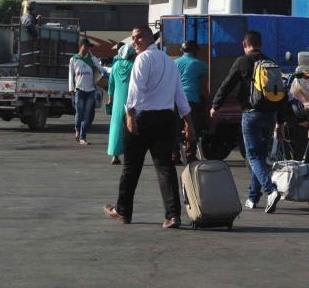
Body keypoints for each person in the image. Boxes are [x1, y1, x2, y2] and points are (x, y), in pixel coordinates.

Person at [103, 25, 193, 228]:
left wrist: (130, 116)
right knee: (165, 167)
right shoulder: (169, 62)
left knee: (131, 167)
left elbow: (135, 90)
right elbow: (180, 95)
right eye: (133, 38)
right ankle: (173, 215)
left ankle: (123, 211)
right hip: (166, 119)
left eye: (139, 37)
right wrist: (189, 123)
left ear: (150, 38)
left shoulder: (142, 59)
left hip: (142, 119)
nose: (135, 42)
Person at [210, 31, 281, 213]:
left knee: (253, 156)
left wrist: (216, 105)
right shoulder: (270, 62)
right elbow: (280, 92)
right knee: (260, 157)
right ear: (261, 45)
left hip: (251, 113)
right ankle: (252, 197)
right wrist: (281, 119)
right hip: (270, 115)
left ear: (244, 44)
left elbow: (227, 84)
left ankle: (271, 190)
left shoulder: (243, 61)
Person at [175, 40, 208, 164]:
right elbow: (208, 79)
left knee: (176, 128)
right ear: (195, 51)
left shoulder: (174, 63)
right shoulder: (200, 64)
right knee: (191, 126)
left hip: (175, 99)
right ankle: (190, 155)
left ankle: (174, 156)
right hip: (191, 99)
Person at [69, 38, 106, 146]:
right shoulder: (74, 59)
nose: (89, 48)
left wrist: (101, 73)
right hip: (79, 90)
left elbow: (101, 70)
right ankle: (77, 130)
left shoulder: (92, 59)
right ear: (82, 46)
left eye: (89, 47)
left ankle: (83, 137)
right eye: (87, 46)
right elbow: (71, 74)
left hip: (90, 91)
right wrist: (71, 88)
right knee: (79, 113)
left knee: (87, 115)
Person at [106, 43, 136, 165]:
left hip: (117, 101)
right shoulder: (134, 66)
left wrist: (110, 98)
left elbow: (111, 84)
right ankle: (130, 155)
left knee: (116, 126)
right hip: (131, 100)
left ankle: (115, 156)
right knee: (131, 127)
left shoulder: (115, 66)